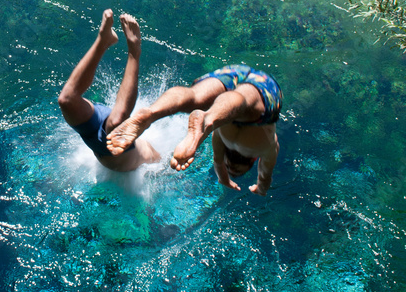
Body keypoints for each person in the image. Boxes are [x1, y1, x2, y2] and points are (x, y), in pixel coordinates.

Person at [106, 64, 282, 195]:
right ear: (252, 161)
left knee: (195, 96)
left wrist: (229, 178)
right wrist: (260, 187)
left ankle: (151, 112)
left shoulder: (228, 141)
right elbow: (259, 175)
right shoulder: (252, 145)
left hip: (240, 71)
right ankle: (205, 120)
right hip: (243, 106)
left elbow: (221, 163)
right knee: (242, 99)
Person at [58, 10, 161, 172]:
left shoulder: (152, 159)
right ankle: (106, 40)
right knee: (66, 100)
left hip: (117, 152)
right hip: (101, 136)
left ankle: (133, 49)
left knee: (68, 101)